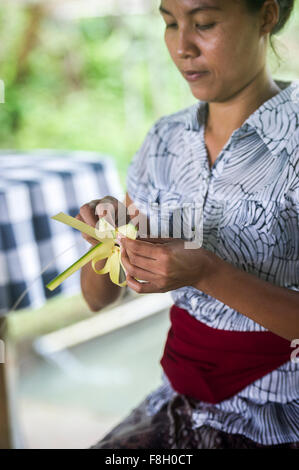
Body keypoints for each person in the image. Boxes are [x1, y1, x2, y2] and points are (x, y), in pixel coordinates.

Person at [76, 0, 299, 449]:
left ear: (267, 16)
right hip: (181, 397)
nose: (182, 47)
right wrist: (103, 241)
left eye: (204, 23)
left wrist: (207, 271)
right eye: (170, 23)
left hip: (279, 418)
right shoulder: (165, 141)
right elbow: (99, 299)